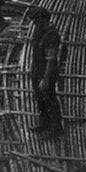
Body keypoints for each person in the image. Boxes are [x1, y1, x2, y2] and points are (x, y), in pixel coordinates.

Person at [28, 7, 63, 136]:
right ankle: (44, 123)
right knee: (39, 98)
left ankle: (56, 128)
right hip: (37, 69)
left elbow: (51, 60)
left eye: (36, 20)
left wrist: (46, 79)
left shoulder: (51, 35)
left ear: (43, 20)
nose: (34, 23)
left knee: (50, 99)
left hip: (47, 72)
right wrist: (33, 69)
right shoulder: (39, 30)